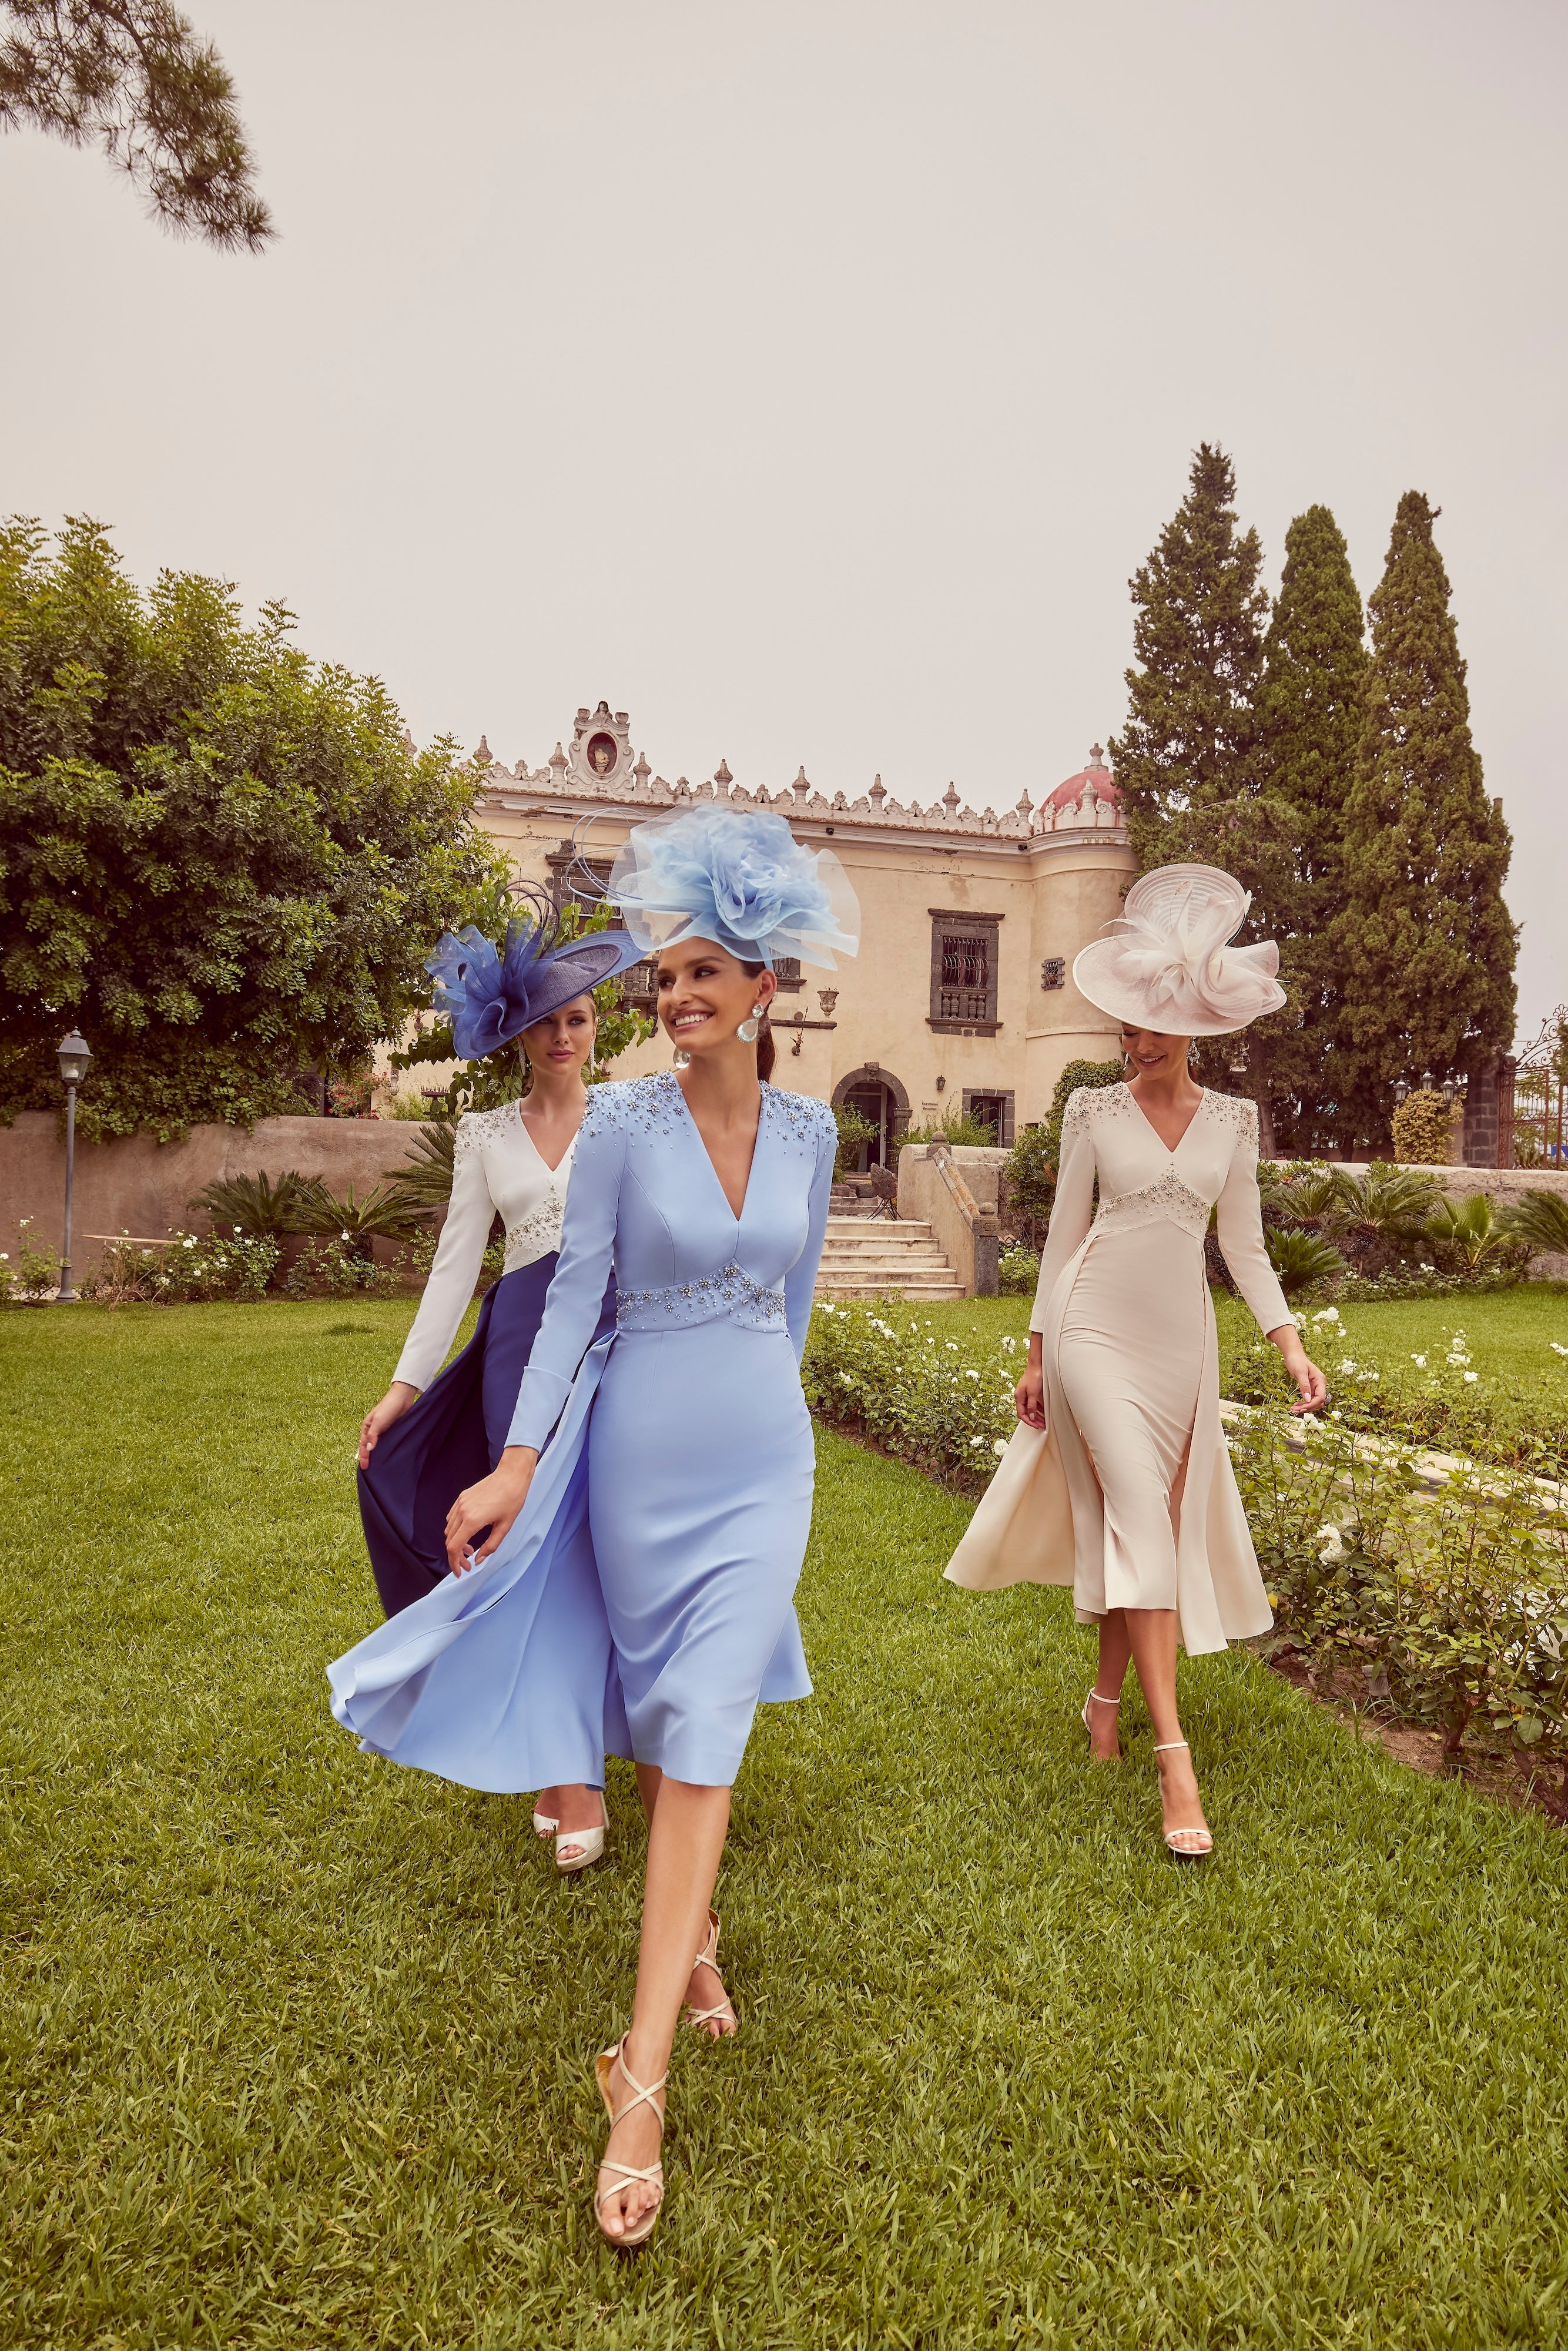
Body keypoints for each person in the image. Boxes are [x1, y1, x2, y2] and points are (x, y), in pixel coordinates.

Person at [330, 803, 857, 2248]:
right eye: (663, 978)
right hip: (634, 1462)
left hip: (765, 1468)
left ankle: (640, 2075)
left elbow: (794, 1305)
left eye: (702, 974)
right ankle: (692, 1941)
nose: (675, 998)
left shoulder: (810, 1132)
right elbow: (569, 1301)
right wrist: (514, 1463)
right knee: (667, 1714)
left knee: (709, 1725)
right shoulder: (621, 1124)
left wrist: (774, 1419)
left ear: (763, 987)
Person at [945, 864, 1327, 1861]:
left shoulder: (1232, 1122)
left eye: (1156, 1027)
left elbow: (1243, 1248)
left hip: (1182, 1346)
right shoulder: (1093, 1112)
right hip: (1091, 1332)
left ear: (1194, 1024)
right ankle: (1174, 1760)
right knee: (1144, 1531)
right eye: (1128, 1027)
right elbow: (1063, 1240)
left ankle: (1104, 1703)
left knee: (1141, 1527)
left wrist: (1289, 1345)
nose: (1139, 1042)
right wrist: (1037, 1353)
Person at [351, 899, 645, 1870]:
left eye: (579, 1019)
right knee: (523, 1549)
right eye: (545, 1022)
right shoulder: (484, 1134)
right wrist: (404, 1387)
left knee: (594, 1546)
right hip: (518, 1350)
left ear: (598, 1027)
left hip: (613, 1345)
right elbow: (452, 1271)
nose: (563, 1037)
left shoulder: (633, 1118)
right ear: (515, 1034)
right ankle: (569, 1771)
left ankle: (577, 1754)